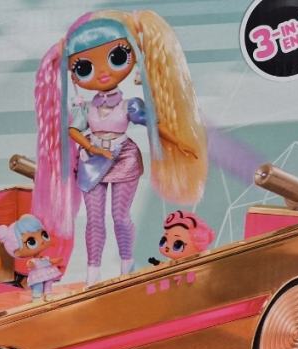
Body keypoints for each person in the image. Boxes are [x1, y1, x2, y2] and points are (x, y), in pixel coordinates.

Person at [33, 10, 207, 285]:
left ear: (133, 56)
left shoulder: (130, 106)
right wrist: (91, 147)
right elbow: (73, 131)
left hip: (123, 158)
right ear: (73, 76)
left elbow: (153, 125)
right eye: (84, 68)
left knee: (120, 216)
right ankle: (93, 271)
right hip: (92, 162)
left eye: (116, 57)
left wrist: (180, 143)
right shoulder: (85, 108)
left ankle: (127, 265)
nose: (103, 72)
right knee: (94, 220)